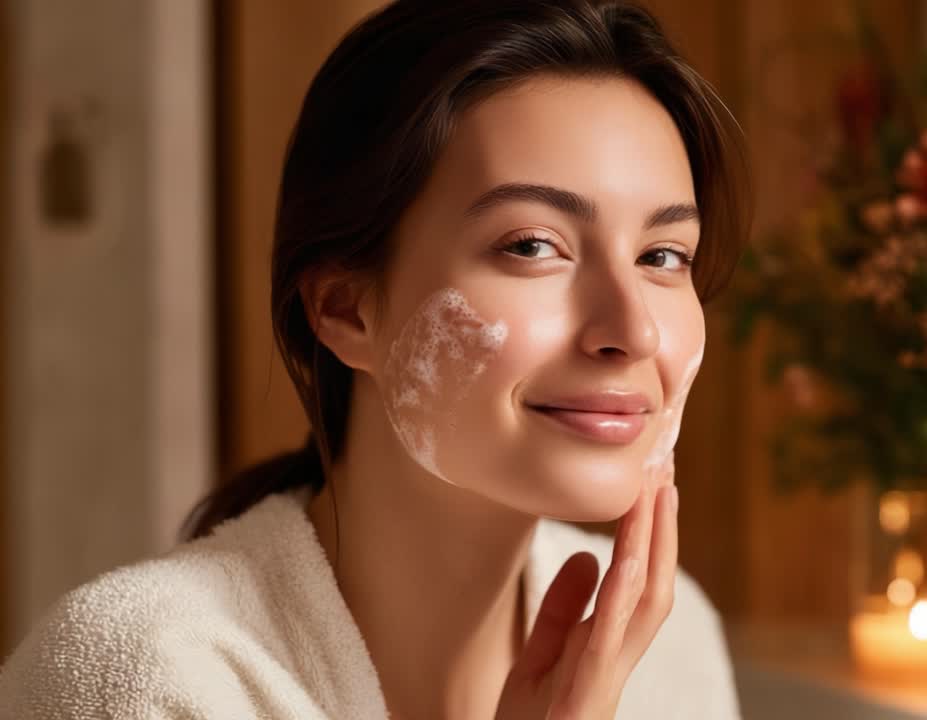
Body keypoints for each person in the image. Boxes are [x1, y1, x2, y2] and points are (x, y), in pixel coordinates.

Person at [0, 0, 751, 718]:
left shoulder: (668, 649)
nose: (633, 331)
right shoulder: (141, 681)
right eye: (531, 246)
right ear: (343, 309)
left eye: (662, 255)